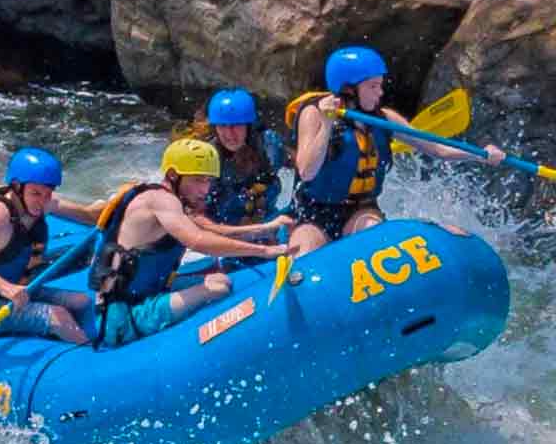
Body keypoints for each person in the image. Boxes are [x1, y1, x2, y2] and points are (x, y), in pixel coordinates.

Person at [287, 46, 506, 256]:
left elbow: (437, 148)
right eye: (372, 86)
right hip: (313, 214)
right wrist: (326, 124)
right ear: (348, 88)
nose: (380, 93)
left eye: (380, 85)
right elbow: (307, 171)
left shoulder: (384, 118)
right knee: (304, 254)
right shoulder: (314, 114)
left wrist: (481, 155)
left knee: (374, 234)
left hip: (359, 210)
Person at [91, 138, 293, 348]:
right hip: (122, 318)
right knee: (217, 290)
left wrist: (266, 228)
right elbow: (197, 240)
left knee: (220, 280)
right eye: (198, 180)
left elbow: (216, 233)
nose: (205, 189)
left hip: (145, 295)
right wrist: (263, 251)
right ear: (172, 175)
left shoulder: (175, 204)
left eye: (208, 180)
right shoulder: (159, 200)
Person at [0, 147, 96, 344]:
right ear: (16, 187)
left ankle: (89, 337)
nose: (42, 202)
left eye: (48, 194)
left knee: (81, 301)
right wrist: (5, 288)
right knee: (58, 315)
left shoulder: (41, 203)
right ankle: (87, 354)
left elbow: (89, 216)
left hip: (19, 289)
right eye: (36, 193)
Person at [184, 88, 293, 244]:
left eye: (236, 125)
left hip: (268, 224)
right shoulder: (206, 158)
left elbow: (303, 168)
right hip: (224, 234)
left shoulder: (269, 145)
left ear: (249, 126)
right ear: (215, 128)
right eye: (222, 125)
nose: (229, 134)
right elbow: (194, 216)